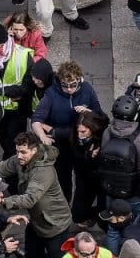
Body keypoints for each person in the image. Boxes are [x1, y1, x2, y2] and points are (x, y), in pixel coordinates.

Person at [0, 132, 72, 258]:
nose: (19, 156)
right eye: (17, 151)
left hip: (55, 225)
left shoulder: (44, 172)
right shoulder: (20, 160)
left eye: (23, 152)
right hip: (36, 222)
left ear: (34, 150)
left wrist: (3, 201)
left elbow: (29, 199)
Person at [31, 61, 104, 200]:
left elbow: (99, 114)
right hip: (61, 144)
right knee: (63, 178)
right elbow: (36, 119)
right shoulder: (52, 93)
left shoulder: (87, 89)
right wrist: (43, 136)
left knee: (83, 178)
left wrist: (88, 112)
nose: (69, 89)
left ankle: (79, 210)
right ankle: (65, 206)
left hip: (81, 142)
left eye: (73, 85)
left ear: (79, 80)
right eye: (65, 85)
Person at [0, 23, 33, 157]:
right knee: (4, 140)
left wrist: (2, 92)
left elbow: (28, 85)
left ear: (2, 43)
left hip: (16, 109)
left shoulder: (23, 56)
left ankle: (12, 168)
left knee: (14, 144)